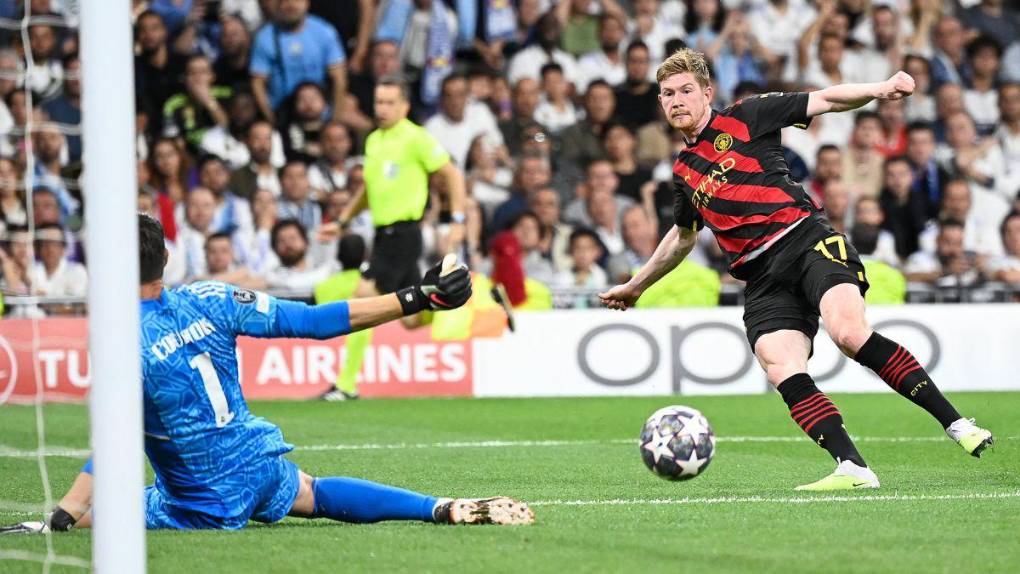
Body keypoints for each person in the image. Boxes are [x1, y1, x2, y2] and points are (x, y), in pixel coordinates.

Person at [599, 48, 994, 491]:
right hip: (761, 275)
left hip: (805, 240)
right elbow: (684, 236)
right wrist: (637, 285)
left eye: (686, 90)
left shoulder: (748, 115)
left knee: (848, 333)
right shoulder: (684, 169)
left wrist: (881, 90)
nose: (676, 100)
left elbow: (826, 99)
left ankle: (957, 424)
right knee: (779, 364)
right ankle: (853, 467)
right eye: (667, 94)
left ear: (707, 92)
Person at [1, 214, 533, 535]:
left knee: (101, 517)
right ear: (166, 255)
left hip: (203, 500)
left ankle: (32, 526)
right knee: (315, 492)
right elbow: (313, 322)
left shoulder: (121, 341)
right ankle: (438, 508)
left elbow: (116, 441)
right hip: (257, 465)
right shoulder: (211, 296)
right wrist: (417, 297)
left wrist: (71, 506)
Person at [320, 77, 466, 305]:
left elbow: (453, 174)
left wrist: (457, 220)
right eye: (379, 102)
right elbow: (369, 190)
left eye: (389, 103)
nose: (382, 109)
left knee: (363, 297)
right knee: (413, 316)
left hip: (403, 233)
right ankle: (465, 306)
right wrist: (342, 221)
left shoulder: (415, 137)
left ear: (404, 106)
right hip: (382, 234)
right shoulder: (373, 140)